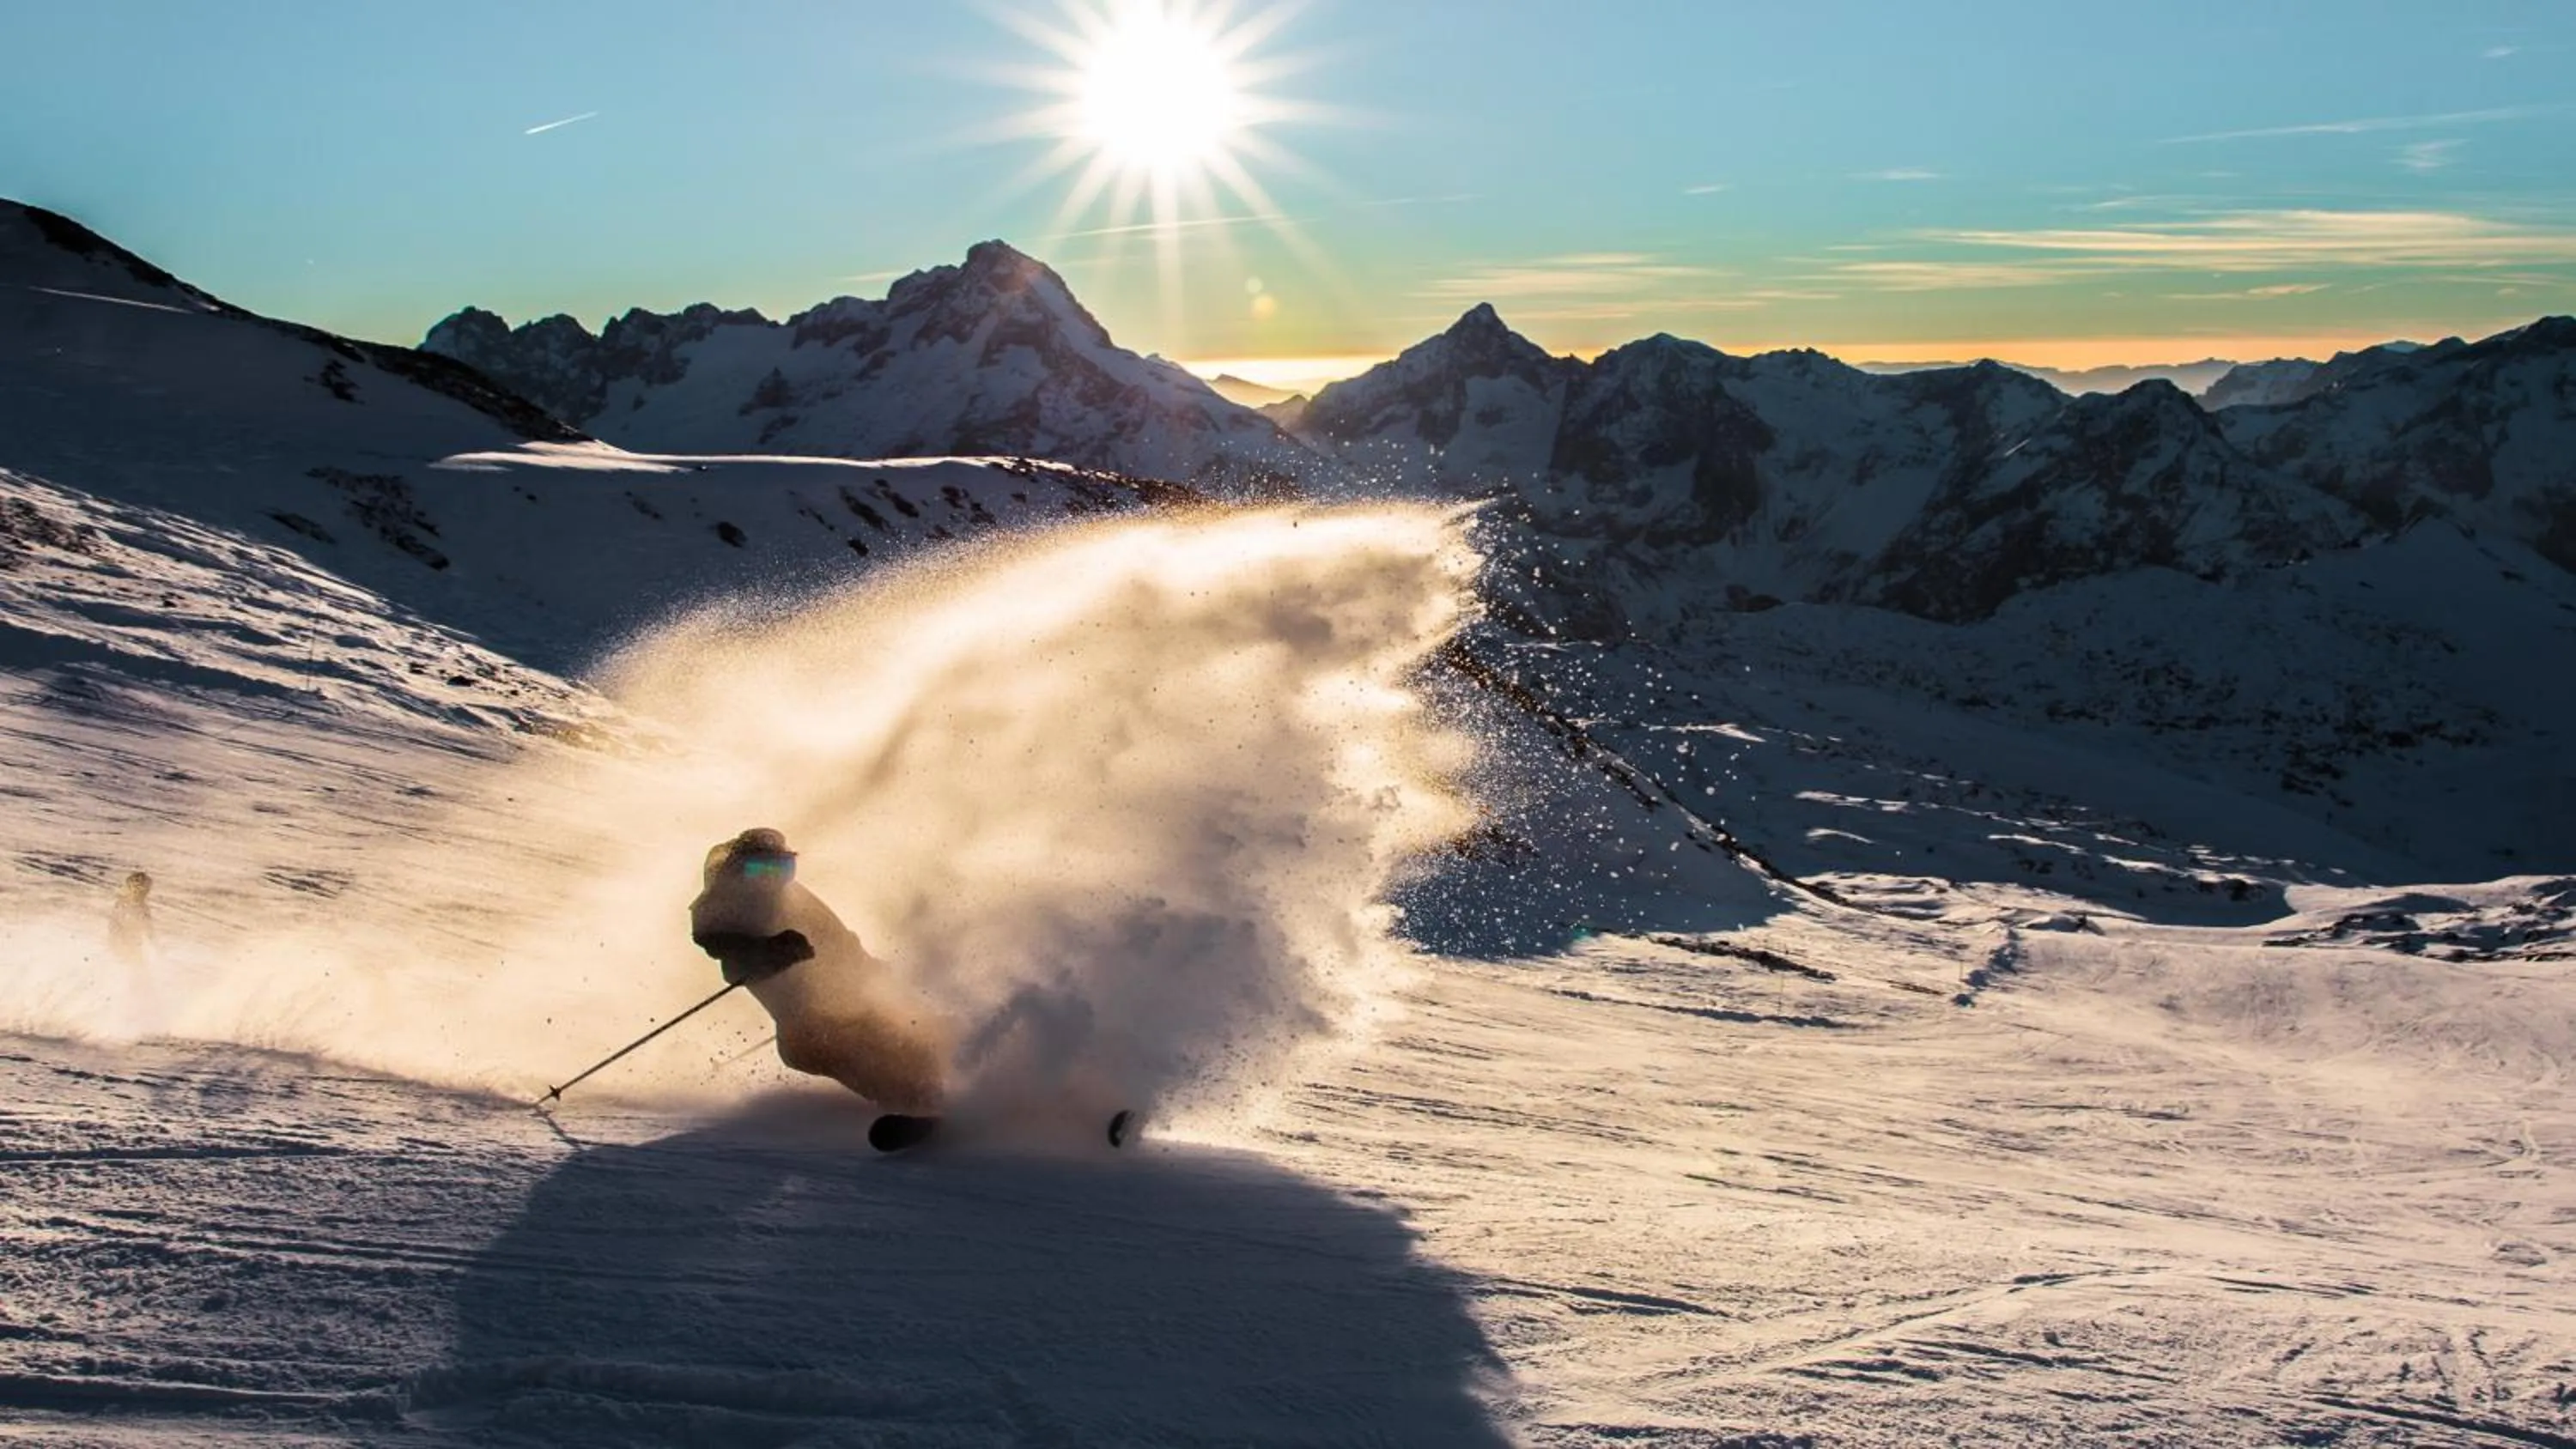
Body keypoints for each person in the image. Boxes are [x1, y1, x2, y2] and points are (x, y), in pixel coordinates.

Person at [689, 828, 947, 1114]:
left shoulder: (793, 897)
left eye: (783, 868)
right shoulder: (724, 900)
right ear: (738, 869)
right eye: (759, 869)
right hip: (808, 1033)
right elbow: (716, 944)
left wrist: (869, 968)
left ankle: (952, 1090)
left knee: (920, 1034)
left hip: (853, 1008)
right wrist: (767, 949)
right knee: (860, 1053)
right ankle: (914, 1105)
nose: (771, 879)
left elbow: (840, 942)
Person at [107, 870, 157, 966]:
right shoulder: (121, 905)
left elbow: (149, 928)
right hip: (122, 947)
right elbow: (114, 927)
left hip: (135, 947)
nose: (141, 894)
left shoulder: (143, 908)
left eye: (144, 891)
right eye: (137, 890)